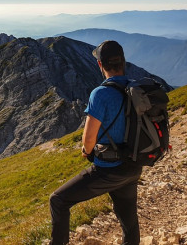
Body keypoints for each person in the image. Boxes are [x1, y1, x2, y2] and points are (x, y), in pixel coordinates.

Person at [49, 40, 143, 245]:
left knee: (58, 200)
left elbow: (89, 138)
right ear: (124, 62)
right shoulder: (136, 88)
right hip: (133, 166)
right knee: (129, 220)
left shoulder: (100, 94)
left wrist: (86, 151)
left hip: (108, 169)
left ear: (100, 65)